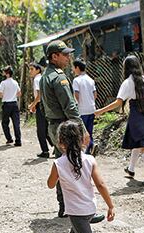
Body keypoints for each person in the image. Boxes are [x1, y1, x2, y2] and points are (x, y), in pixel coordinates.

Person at [48, 120, 115, 233]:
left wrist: (61, 177)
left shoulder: (59, 164)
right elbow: (100, 184)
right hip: (89, 209)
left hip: (76, 212)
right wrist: (110, 205)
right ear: (81, 140)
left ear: (60, 142)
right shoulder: (90, 160)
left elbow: (50, 184)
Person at [41, 40, 102, 223]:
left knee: (64, 164)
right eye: (65, 54)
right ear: (54, 56)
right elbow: (70, 107)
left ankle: (65, 207)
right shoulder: (59, 78)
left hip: (54, 126)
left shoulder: (46, 76)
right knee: (77, 165)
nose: (68, 58)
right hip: (65, 127)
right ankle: (81, 211)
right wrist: (82, 129)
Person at [95, 55, 144, 186]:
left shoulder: (127, 82)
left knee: (143, 146)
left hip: (136, 117)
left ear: (125, 68)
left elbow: (118, 102)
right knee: (138, 143)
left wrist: (101, 111)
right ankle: (131, 170)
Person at [72, 60, 97, 154]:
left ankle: (85, 150)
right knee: (89, 130)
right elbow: (95, 94)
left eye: (73, 68)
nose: (73, 70)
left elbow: (76, 95)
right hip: (91, 108)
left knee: (82, 131)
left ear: (77, 68)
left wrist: (77, 105)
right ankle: (91, 145)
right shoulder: (90, 79)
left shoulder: (76, 80)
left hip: (82, 110)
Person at [29, 62, 51, 158]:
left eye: (32, 69)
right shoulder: (42, 78)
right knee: (46, 129)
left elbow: (39, 95)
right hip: (46, 104)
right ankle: (56, 146)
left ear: (38, 70)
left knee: (41, 130)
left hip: (41, 105)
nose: (30, 71)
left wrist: (32, 105)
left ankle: (45, 151)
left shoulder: (37, 79)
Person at [0, 66, 22, 146]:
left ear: (7, 73)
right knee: (16, 123)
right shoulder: (15, 82)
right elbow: (19, 93)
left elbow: (0, 95)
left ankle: (9, 138)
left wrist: (5, 95)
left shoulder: (3, 83)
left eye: (4, 72)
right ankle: (18, 141)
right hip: (14, 104)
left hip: (6, 104)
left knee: (5, 123)